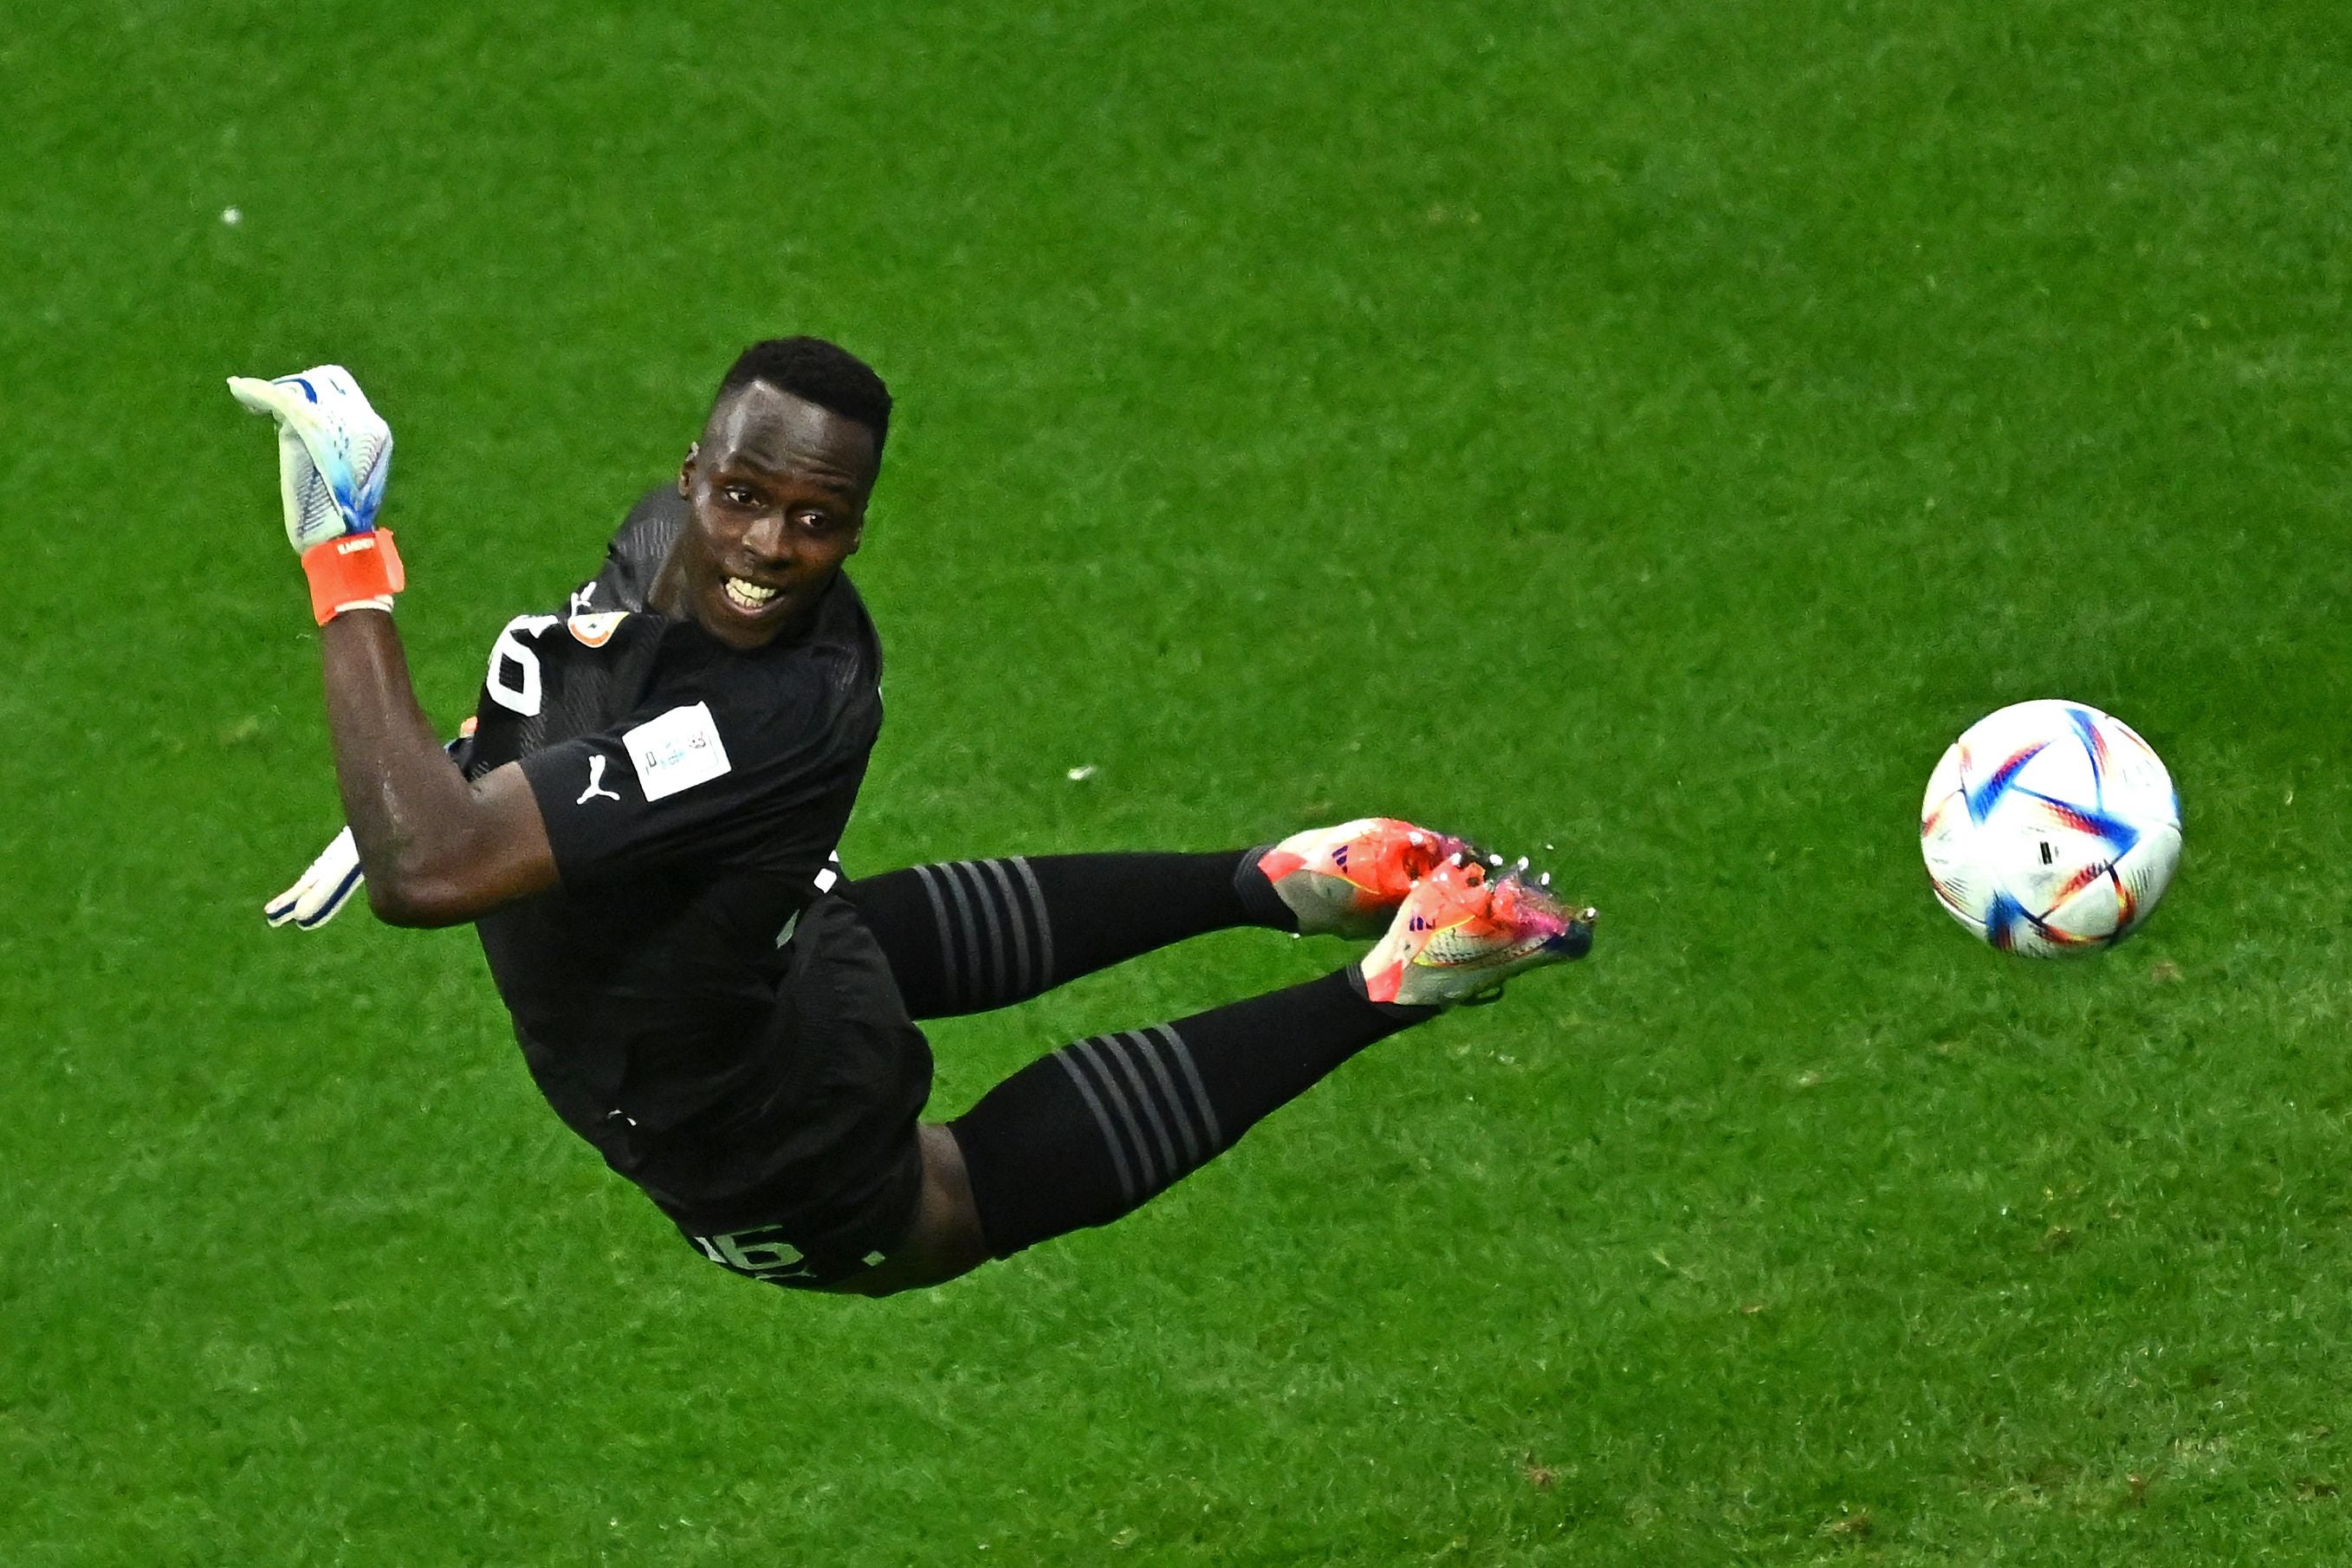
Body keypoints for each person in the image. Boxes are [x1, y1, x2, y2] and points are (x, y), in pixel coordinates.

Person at [233, 340, 1595, 1298]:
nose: (769, 546)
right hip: (769, 951)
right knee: (848, 937)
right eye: (747, 497)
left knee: (943, 1209)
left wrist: (346, 563)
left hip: (737, 1103)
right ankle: (1268, 882)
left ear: (860, 529)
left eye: (817, 522)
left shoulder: (773, 713)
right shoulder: (660, 547)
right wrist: (437, 760)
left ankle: (1393, 982)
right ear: (693, 471)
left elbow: (437, 871)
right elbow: (575, 699)